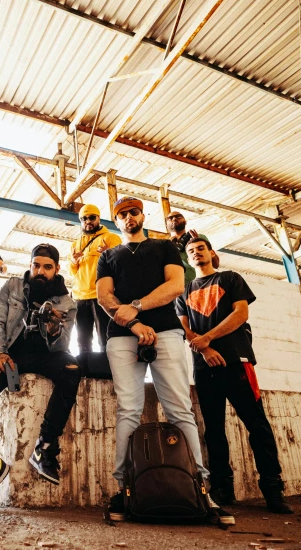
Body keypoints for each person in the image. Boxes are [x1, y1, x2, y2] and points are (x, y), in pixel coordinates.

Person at [96, 197, 233, 524]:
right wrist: (133, 323)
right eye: (122, 214)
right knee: (128, 408)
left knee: (179, 408)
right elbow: (104, 296)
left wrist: (138, 307)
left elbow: (175, 285)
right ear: (116, 221)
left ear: (142, 215)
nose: (129, 217)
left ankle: (201, 490)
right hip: (122, 335)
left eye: (133, 212)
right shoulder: (108, 256)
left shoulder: (164, 248)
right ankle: (124, 488)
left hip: (168, 332)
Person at [176, 237, 293, 514]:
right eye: (190, 251)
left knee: (258, 426)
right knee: (214, 430)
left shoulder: (230, 278)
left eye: (200, 248)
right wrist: (204, 350)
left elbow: (240, 314)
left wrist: (208, 339)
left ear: (211, 253)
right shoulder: (184, 291)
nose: (195, 253)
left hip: (237, 362)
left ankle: (273, 490)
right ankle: (222, 489)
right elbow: (183, 329)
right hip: (204, 367)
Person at [0, 243, 81, 512]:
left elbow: (62, 346)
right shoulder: (13, 287)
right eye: (36, 265)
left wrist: (54, 329)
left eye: (47, 267)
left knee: (72, 369)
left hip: (46, 355)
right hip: (11, 353)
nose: (40, 271)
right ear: (30, 265)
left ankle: (45, 447)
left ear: (57, 269)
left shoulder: (67, 303)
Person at [68, 204, 121, 353]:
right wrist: (73, 261)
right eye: (84, 218)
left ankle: (108, 373)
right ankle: (85, 372)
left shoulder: (110, 238)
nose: (88, 221)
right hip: (79, 298)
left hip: (101, 296)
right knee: (82, 340)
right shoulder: (75, 244)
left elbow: (120, 266)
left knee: (105, 338)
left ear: (98, 218)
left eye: (92, 217)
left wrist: (109, 254)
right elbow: (72, 273)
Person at [166, 210, 219, 284]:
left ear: (185, 222)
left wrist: (198, 243)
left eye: (178, 216)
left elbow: (216, 264)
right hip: (179, 289)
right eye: (170, 218)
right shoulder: (165, 246)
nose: (174, 219)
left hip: (201, 284)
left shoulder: (200, 237)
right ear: (166, 225)